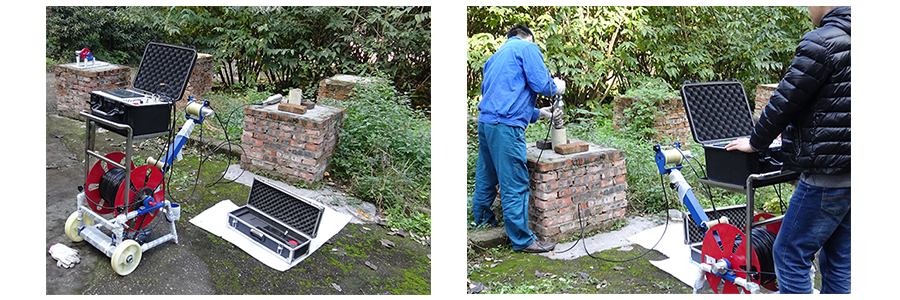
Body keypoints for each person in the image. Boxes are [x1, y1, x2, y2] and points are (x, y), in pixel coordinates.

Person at [725, 6, 850, 294]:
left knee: (789, 253)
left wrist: (756, 142)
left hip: (826, 176)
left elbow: (786, 100)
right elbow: (833, 105)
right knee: (840, 259)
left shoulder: (822, 41)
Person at [471, 25, 565, 253]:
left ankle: (483, 221)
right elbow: (543, 85)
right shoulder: (527, 47)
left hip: (486, 124)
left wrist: (540, 113)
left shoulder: (495, 57)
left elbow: (504, 96)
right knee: (515, 182)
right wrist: (557, 86)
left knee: (487, 174)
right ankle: (523, 240)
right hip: (506, 129)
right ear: (528, 37)